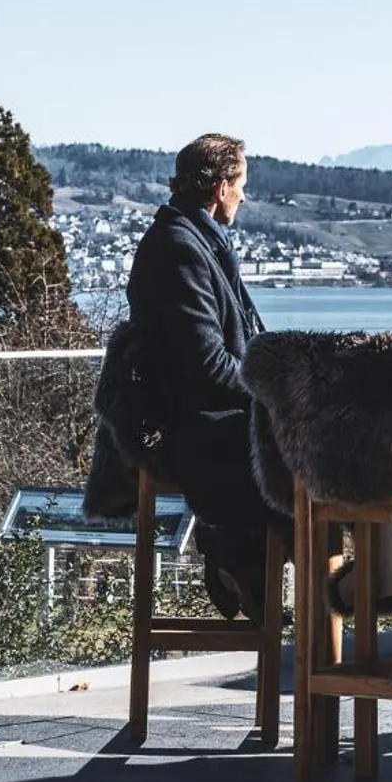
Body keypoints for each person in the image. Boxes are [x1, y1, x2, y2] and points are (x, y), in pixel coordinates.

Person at [122, 133, 284, 622]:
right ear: (219, 187)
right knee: (306, 457)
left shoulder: (198, 242)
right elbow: (208, 366)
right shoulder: (180, 250)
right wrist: (275, 391)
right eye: (241, 185)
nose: (243, 196)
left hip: (205, 415)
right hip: (193, 427)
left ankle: (255, 563)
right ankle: (247, 558)